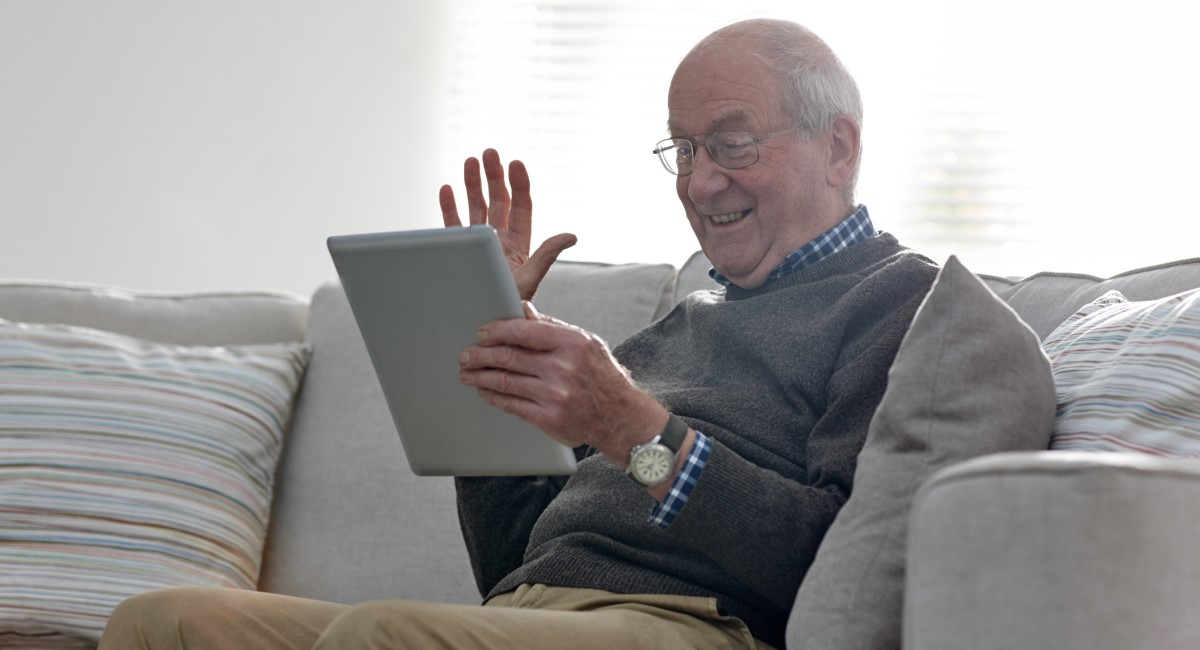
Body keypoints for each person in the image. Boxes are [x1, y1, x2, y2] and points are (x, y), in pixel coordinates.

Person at [99, 17, 938, 650]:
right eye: (681, 149)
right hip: (535, 613)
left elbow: (832, 564)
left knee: (380, 636)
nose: (698, 181)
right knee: (162, 621)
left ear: (838, 148)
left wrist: (635, 429)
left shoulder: (899, 303)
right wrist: (489, 376)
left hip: (695, 627)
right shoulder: (691, 317)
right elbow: (508, 570)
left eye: (730, 143)